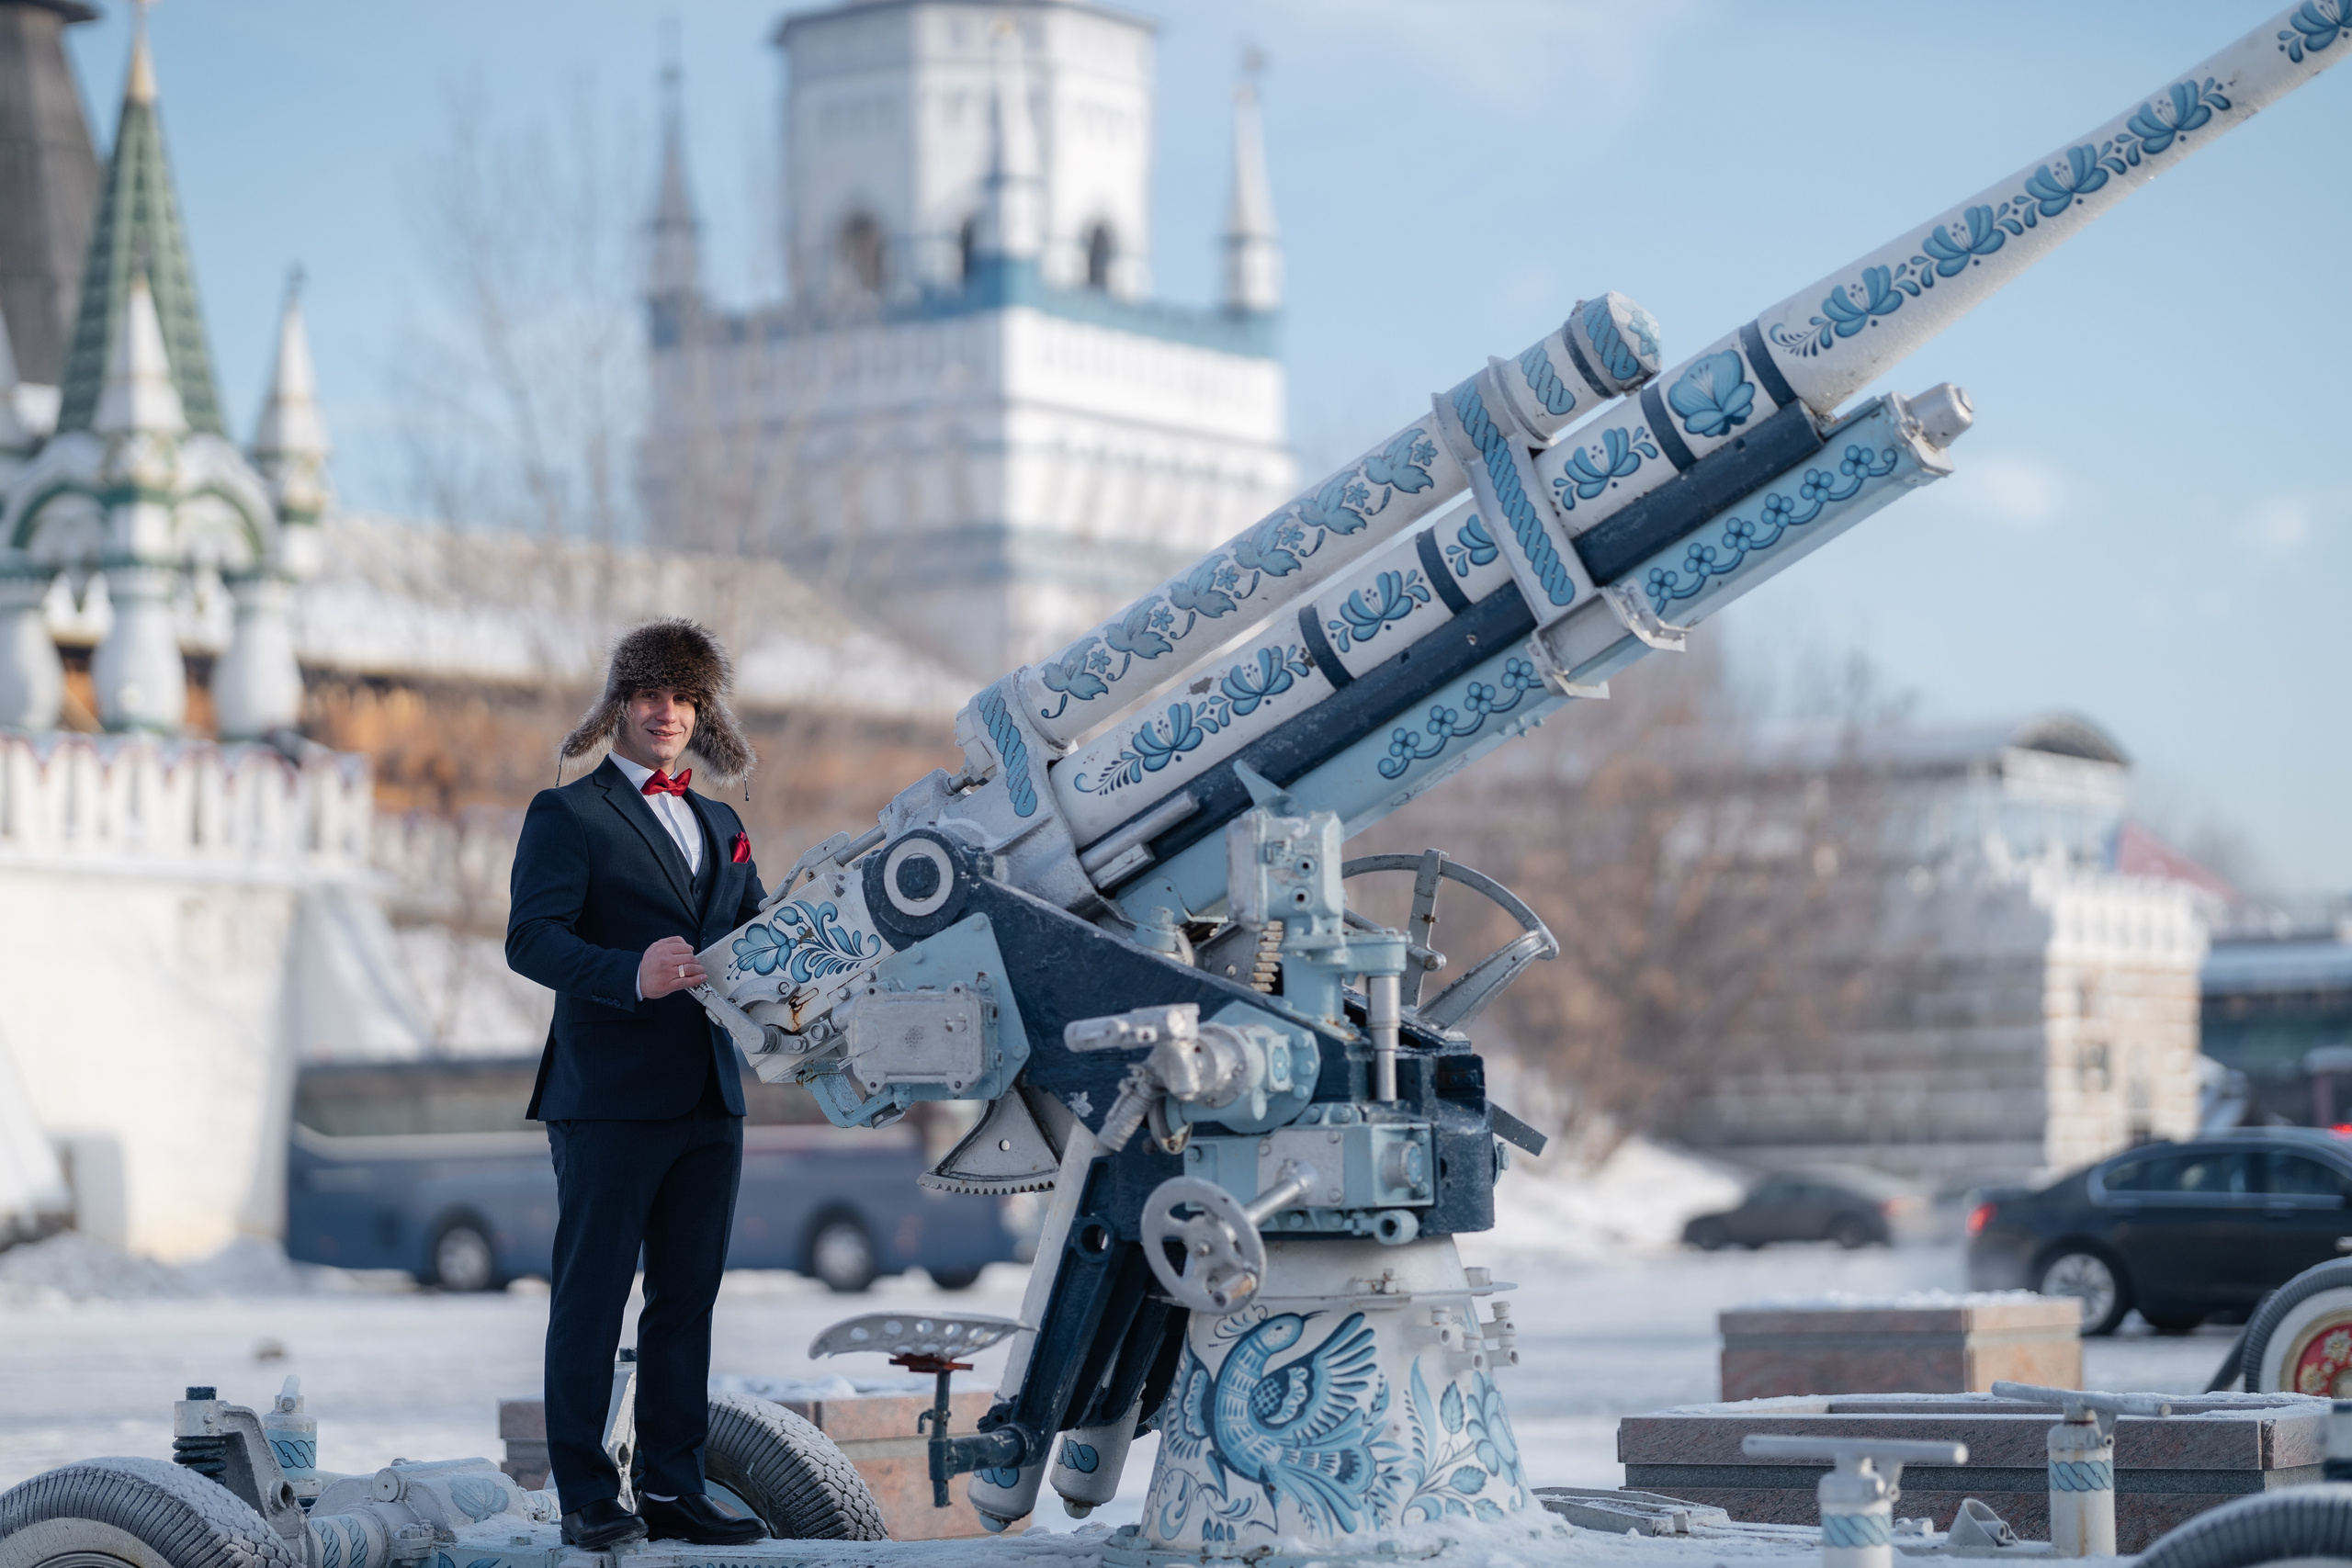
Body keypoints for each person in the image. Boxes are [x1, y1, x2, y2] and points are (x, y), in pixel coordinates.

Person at [505, 618, 770, 1551]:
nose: (669, 713)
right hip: (608, 1094)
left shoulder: (724, 825)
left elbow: (759, 938)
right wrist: (630, 972)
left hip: (710, 1095)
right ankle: (585, 1494)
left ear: (703, 713)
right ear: (620, 705)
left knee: (686, 1300)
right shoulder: (567, 814)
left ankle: (672, 1487)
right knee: (592, 1294)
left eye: (686, 698)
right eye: (653, 695)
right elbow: (530, 939)